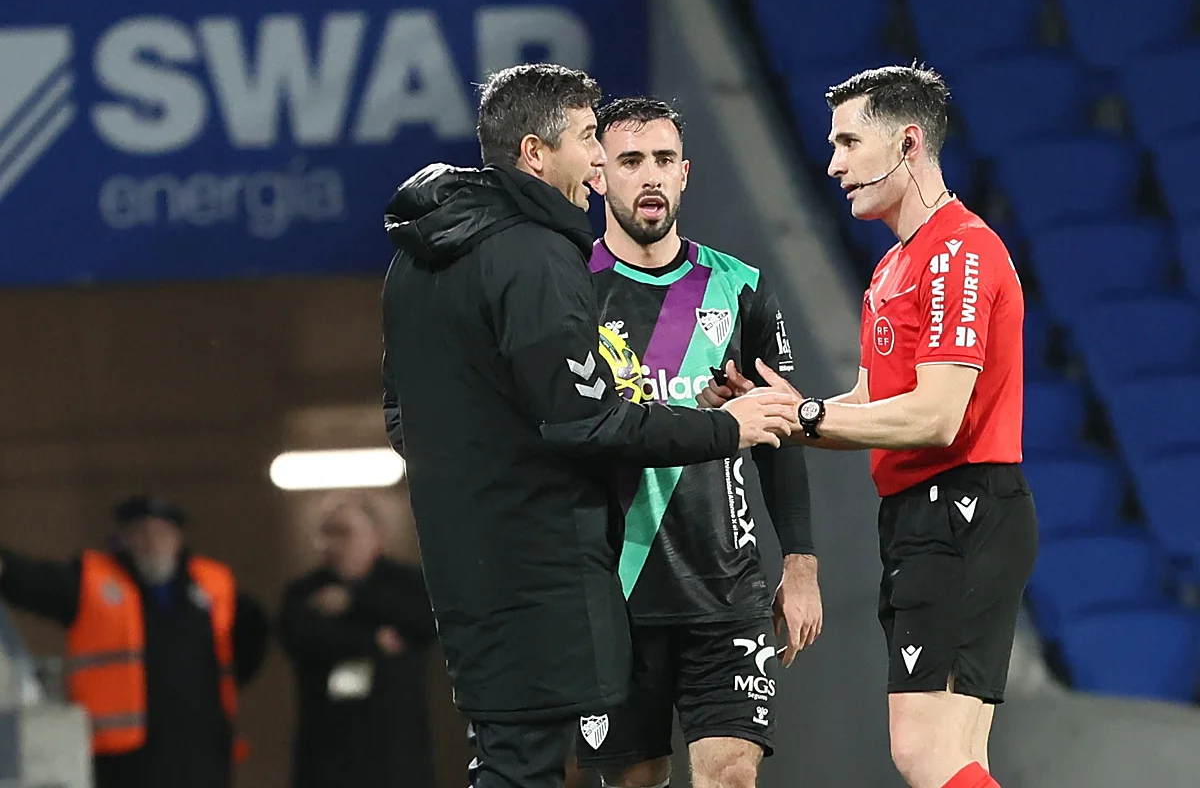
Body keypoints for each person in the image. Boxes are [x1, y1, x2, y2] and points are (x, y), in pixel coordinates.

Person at [380, 63, 799, 788]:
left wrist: (478, 480)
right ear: (537, 154)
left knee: (510, 757)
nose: (601, 160)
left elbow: (401, 415)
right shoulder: (537, 255)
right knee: (524, 766)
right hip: (542, 561)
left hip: (466, 557)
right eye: (589, 140)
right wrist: (725, 429)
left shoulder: (413, 263)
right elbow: (586, 424)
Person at [700, 65, 1037, 788]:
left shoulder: (957, 255)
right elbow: (871, 400)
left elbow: (938, 415)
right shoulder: (894, 267)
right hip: (931, 516)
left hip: (960, 508)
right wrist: (780, 414)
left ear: (909, 143)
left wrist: (810, 415)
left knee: (925, 753)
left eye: (850, 142)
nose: (834, 163)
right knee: (954, 757)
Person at [573, 97, 823, 788]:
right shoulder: (567, 291)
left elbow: (782, 430)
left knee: (732, 776)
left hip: (726, 588)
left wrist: (800, 565)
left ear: (684, 174)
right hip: (612, 588)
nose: (648, 176)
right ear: (599, 176)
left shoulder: (739, 287)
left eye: (661, 160)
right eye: (629, 161)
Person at [0, 495, 269, 788]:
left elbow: (253, 638)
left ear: (178, 539)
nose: (151, 542)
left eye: (161, 533)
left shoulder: (215, 586)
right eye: (140, 533)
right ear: (124, 539)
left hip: (202, 751)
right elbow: (29, 579)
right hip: (125, 761)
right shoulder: (93, 582)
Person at [280, 497, 438, 788]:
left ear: (377, 536)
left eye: (344, 532)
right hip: (326, 754)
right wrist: (373, 641)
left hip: (396, 754)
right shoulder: (306, 590)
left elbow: (425, 624)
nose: (333, 544)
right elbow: (298, 639)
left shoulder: (407, 584)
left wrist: (354, 601)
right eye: (327, 533)